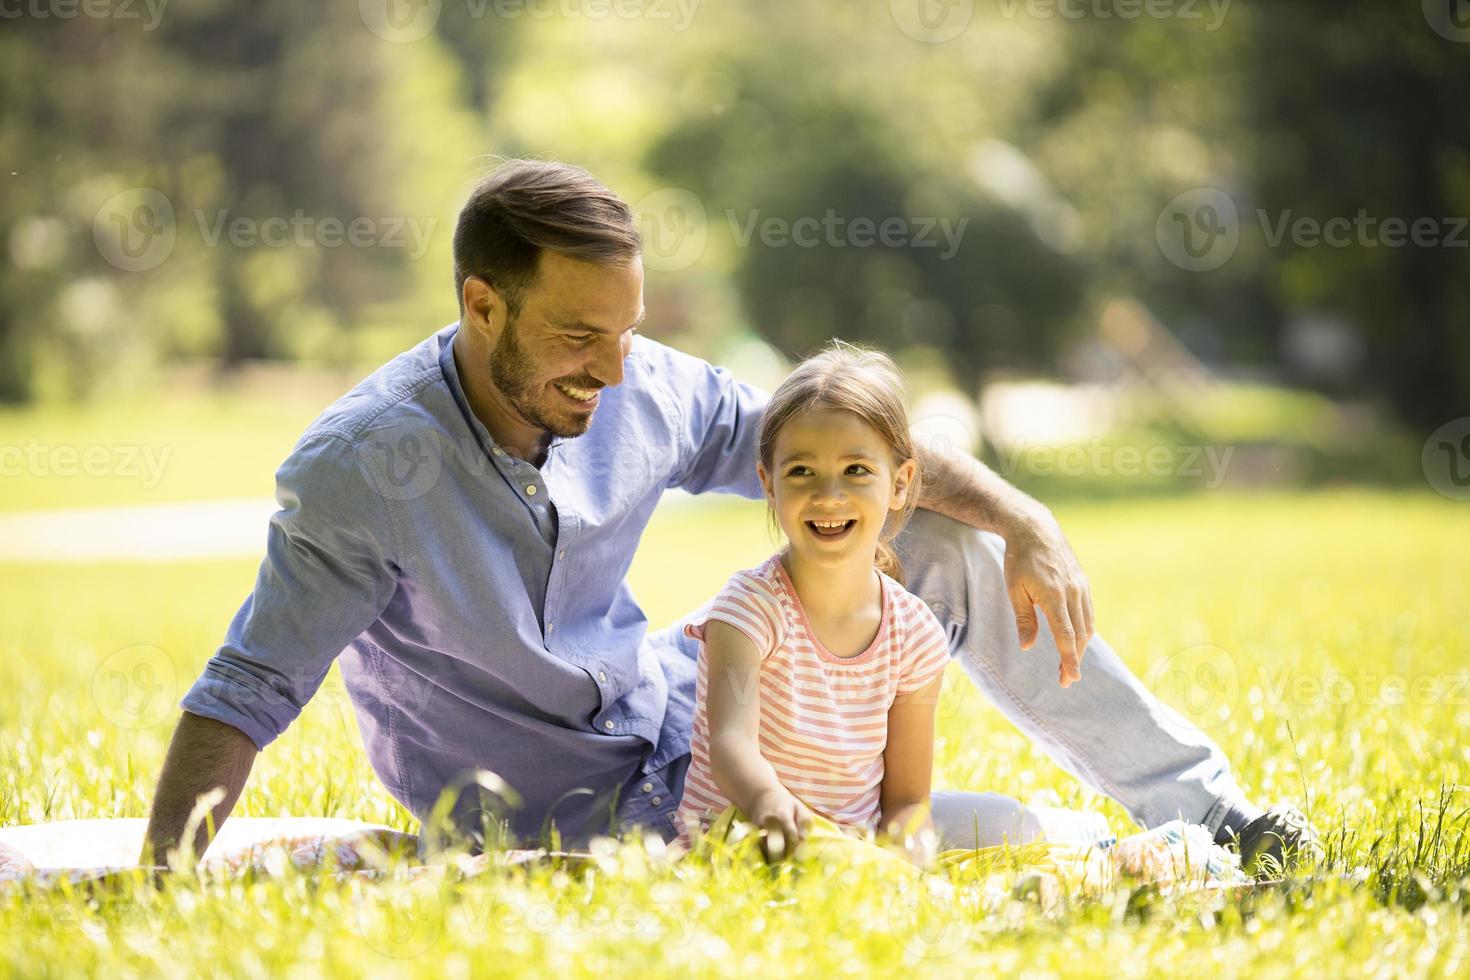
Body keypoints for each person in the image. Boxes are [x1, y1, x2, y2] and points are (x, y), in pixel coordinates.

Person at [140, 159, 1315, 875]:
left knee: (943, 542)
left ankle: (1211, 817)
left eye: (626, 330)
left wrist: (1026, 517)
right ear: (479, 301)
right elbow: (247, 687)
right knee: (993, 836)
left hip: (697, 723)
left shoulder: (639, 380)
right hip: (574, 818)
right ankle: (1107, 852)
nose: (610, 371)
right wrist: (159, 887)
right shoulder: (363, 467)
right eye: (574, 337)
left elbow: (849, 450)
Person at [673, 342, 1111, 864]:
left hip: (849, 848)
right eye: (800, 472)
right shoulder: (748, 611)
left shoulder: (914, 633)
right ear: (768, 485)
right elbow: (730, 746)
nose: (829, 494)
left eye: (856, 469)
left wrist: (908, 854)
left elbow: (905, 801)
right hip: (744, 842)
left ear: (901, 483)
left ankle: (1100, 843)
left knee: (1002, 822)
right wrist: (774, 807)